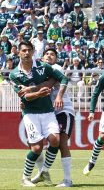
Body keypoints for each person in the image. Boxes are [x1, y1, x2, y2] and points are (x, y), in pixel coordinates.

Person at [9, 41, 68, 187]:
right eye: (24, 50)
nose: (27, 53)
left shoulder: (43, 67)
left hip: (48, 111)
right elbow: (25, 97)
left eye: (29, 50)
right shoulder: (14, 74)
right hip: (30, 113)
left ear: (34, 51)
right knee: (36, 148)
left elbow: (63, 78)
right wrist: (39, 93)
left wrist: (59, 95)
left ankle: (44, 172)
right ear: (19, 52)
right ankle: (25, 177)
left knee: (55, 140)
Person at [30, 48, 75, 187]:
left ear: (56, 59)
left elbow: (50, 83)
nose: (49, 56)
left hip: (63, 110)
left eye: (53, 54)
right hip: (48, 112)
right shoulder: (39, 71)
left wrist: (59, 96)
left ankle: (67, 180)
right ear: (42, 58)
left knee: (61, 142)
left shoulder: (56, 68)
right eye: (47, 54)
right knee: (36, 143)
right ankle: (42, 172)